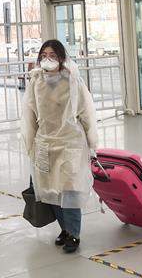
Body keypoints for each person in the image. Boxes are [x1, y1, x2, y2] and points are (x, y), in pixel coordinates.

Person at [20, 39, 98, 254]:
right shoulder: (36, 81)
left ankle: (74, 233)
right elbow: (29, 114)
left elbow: (87, 112)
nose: (48, 59)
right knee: (50, 189)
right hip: (45, 142)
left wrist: (93, 143)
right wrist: (30, 144)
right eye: (44, 54)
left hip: (70, 141)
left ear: (62, 57)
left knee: (70, 189)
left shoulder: (73, 80)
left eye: (53, 55)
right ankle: (64, 229)